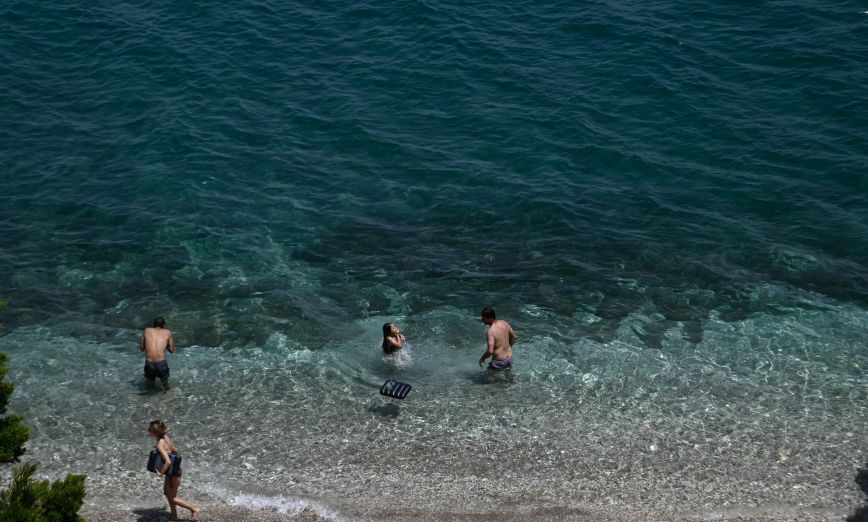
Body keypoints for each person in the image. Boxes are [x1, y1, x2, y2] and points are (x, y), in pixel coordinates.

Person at [148, 420, 199, 521]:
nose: (148, 431)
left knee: (172, 498)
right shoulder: (166, 438)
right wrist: (167, 451)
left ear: (154, 432)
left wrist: (160, 473)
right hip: (175, 471)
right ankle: (174, 516)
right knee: (168, 494)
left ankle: (193, 509)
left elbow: (168, 462)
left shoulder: (160, 444)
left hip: (172, 474)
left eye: (149, 429)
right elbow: (175, 451)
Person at [478, 307, 517, 381]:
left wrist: (482, 358)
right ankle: (515, 386)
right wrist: (508, 348)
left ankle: (493, 392)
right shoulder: (504, 322)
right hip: (509, 358)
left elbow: (490, 351)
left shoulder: (490, 331)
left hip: (499, 362)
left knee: (489, 377)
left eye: (483, 317)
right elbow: (514, 337)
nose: (482, 319)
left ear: (487, 318)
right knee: (508, 376)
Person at [140, 317, 175, 390]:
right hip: (161, 362)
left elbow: (142, 348)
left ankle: (151, 398)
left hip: (149, 362)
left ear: (154, 325)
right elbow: (171, 350)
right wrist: (165, 345)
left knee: (150, 383)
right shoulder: (168, 332)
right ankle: (168, 396)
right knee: (165, 383)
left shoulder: (147, 330)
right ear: (164, 326)